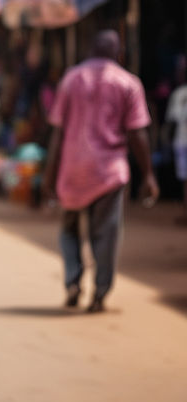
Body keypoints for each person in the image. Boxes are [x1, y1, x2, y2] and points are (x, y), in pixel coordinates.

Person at [42, 30, 157, 312]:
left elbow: (57, 132)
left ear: (90, 49)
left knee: (69, 230)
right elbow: (137, 134)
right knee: (105, 233)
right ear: (118, 53)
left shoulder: (71, 79)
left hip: (72, 168)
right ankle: (99, 293)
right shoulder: (128, 83)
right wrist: (149, 174)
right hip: (109, 171)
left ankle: (72, 281)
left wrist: (49, 173)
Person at [164, 55, 187, 222]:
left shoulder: (179, 94)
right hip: (182, 141)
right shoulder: (179, 94)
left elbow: (172, 120)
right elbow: (173, 120)